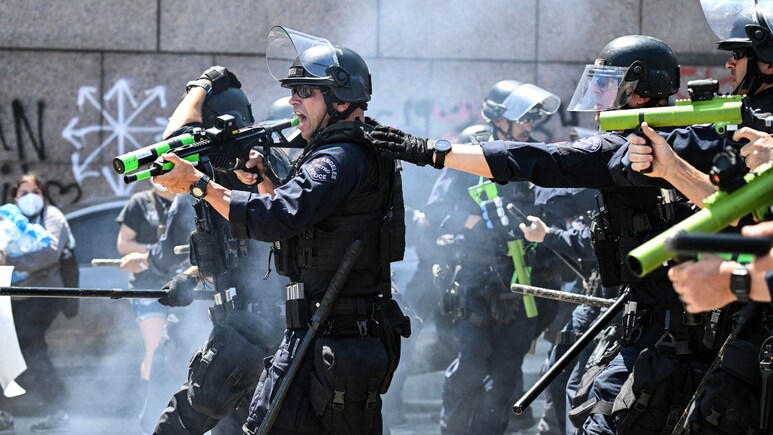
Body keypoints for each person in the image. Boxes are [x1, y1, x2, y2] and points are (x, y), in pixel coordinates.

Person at [372, 34, 725, 435]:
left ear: (640, 93)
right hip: (694, 327)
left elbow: (544, 162)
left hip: (663, 332)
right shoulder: (702, 137)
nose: (599, 102)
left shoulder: (630, 146)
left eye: (609, 88)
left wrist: (430, 150)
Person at [153, 26, 409, 435]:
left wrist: (200, 185)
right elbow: (296, 226)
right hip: (324, 333)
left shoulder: (338, 158)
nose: (293, 100)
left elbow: (277, 218)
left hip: (327, 333)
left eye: (305, 91)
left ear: (340, 99)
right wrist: (264, 182)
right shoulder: (344, 150)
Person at [422, 80, 563, 435]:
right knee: (471, 362)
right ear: (500, 119)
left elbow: (556, 208)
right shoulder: (472, 154)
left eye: (532, 120)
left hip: (522, 283)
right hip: (474, 283)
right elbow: (437, 211)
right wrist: (474, 221)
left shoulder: (533, 157)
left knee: (504, 376)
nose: (529, 126)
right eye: (523, 119)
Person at [152, 71, 287, 435]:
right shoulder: (228, 166)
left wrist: (204, 84)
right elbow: (236, 249)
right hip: (243, 326)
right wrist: (192, 276)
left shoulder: (254, 162)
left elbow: (171, 145)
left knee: (188, 418)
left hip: (264, 329)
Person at [116, 180, 194, 434]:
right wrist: (153, 254)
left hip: (185, 288)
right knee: (156, 347)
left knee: (184, 348)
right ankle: (152, 412)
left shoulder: (192, 197)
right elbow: (124, 244)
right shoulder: (140, 202)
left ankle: (174, 410)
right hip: (149, 287)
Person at [0, 173, 74, 433]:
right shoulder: (9, 218)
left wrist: (10, 261)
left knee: (29, 344)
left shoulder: (52, 216)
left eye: (35, 192)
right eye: (23, 193)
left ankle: (59, 409)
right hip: (12, 294)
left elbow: (50, 253)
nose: (29, 197)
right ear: (14, 197)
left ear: (44, 195)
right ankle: (5, 414)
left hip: (44, 293)